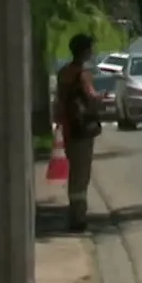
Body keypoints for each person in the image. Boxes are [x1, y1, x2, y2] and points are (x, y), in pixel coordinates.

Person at [55, 34, 101, 231]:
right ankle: (78, 217)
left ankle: (74, 213)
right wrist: (101, 99)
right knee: (81, 174)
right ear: (84, 51)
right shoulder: (82, 74)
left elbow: (60, 100)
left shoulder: (63, 73)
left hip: (69, 128)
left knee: (74, 171)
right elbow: (92, 97)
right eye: (90, 48)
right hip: (82, 129)